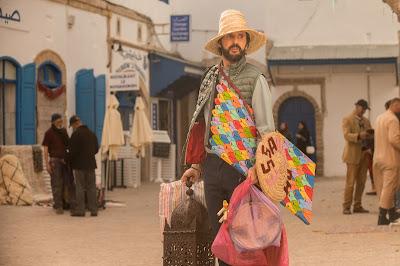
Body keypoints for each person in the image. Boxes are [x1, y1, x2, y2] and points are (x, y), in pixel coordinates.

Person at [180, 10, 275, 266]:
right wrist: (197, 166)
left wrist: (259, 168)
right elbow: (203, 125)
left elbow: (267, 132)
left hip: (244, 169)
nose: (235, 42)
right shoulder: (210, 77)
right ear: (221, 42)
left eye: (240, 36)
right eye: (230, 36)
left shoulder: (257, 79)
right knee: (220, 238)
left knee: (244, 238)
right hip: (213, 168)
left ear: (246, 42)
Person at [341, 99, 372, 215]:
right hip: (352, 156)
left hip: (364, 154)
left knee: (362, 182)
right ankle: (346, 206)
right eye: (363, 108)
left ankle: (358, 205)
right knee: (350, 182)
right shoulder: (347, 119)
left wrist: (370, 137)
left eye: (365, 109)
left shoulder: (366, 121)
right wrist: (359, 136)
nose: (364, 111)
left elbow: (370, 133)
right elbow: (346, 135)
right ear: (357, 106)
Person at [373, 98, 400, 225]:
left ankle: (392, 212)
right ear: (395, 105)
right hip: (390, 158)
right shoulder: (393, 119)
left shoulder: (379, 117)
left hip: (378, 158)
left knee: (384, 186)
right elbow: (394, 139)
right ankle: (382, 216)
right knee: (389, 187)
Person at [69, 115, 99, 217]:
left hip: (79, 165)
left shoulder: (75, 134)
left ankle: (81, 210)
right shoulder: (92, 134)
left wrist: (69, 161)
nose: (72, 128)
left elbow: (72, 152)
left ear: (75, 124)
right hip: (91, 164)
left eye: (72, 126)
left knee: (80, 187)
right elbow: (96, 149)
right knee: (91, 187)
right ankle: (94, 210)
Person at [42, 113, 71, 214]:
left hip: (64, 160)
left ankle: (64, 203)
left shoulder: (63, 131)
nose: (60, 123)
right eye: (58, 121)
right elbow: (45, 150)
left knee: (66, 183)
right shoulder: (48, 133)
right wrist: (47, 164)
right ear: (53, 122)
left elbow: (68, 144)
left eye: (61, 121)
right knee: (56, 184)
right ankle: (58, 205)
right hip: (54, 160)